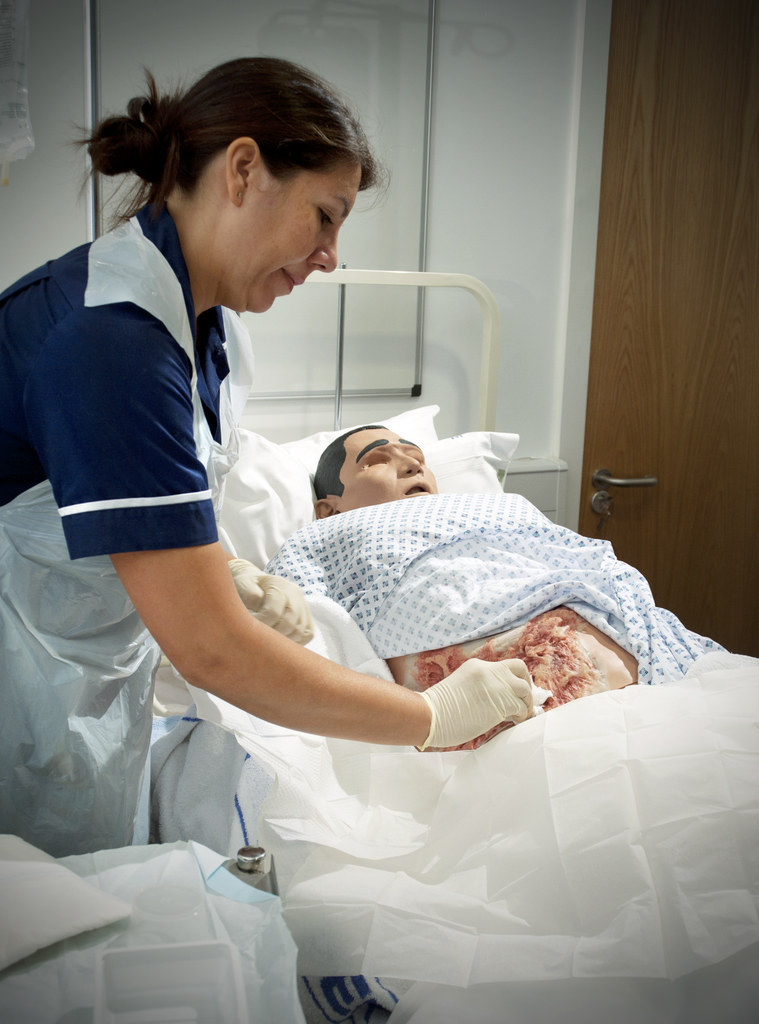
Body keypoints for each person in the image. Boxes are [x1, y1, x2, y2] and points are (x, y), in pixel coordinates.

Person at [0, 58, 533, 858]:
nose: (330, 255)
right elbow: (212, 651)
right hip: (23, 683)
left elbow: (130, 491)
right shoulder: (111, 341)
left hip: (86, 674)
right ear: (244, 169)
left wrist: (229, 572)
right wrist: (431, 718)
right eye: (325, 216)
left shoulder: (209, 330)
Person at [270, 424, 721, 707]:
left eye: (416, 457)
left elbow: (571, 553)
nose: (408, 462)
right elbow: (290, 619)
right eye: (377, 461)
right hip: (486, 668)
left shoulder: (491, 507)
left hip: (593, 626)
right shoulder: (321, 535)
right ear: (328, 509)